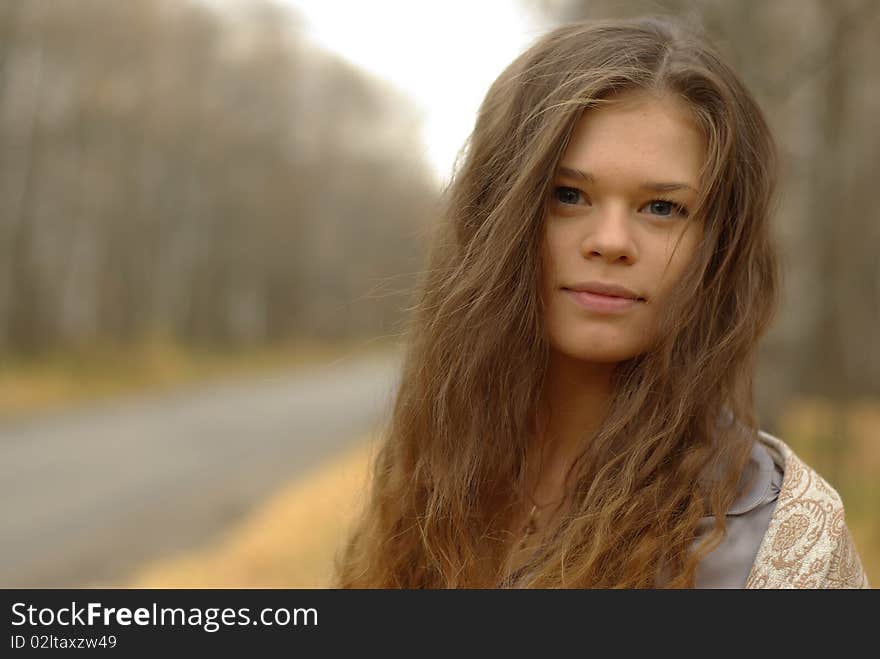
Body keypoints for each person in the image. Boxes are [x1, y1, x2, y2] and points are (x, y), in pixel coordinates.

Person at [332, 16, 869, 588]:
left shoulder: (786, 543)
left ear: (717, 247)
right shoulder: (434, 472)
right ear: (496, 219)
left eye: (662, 208)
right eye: (568, 196)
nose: (610, 241)